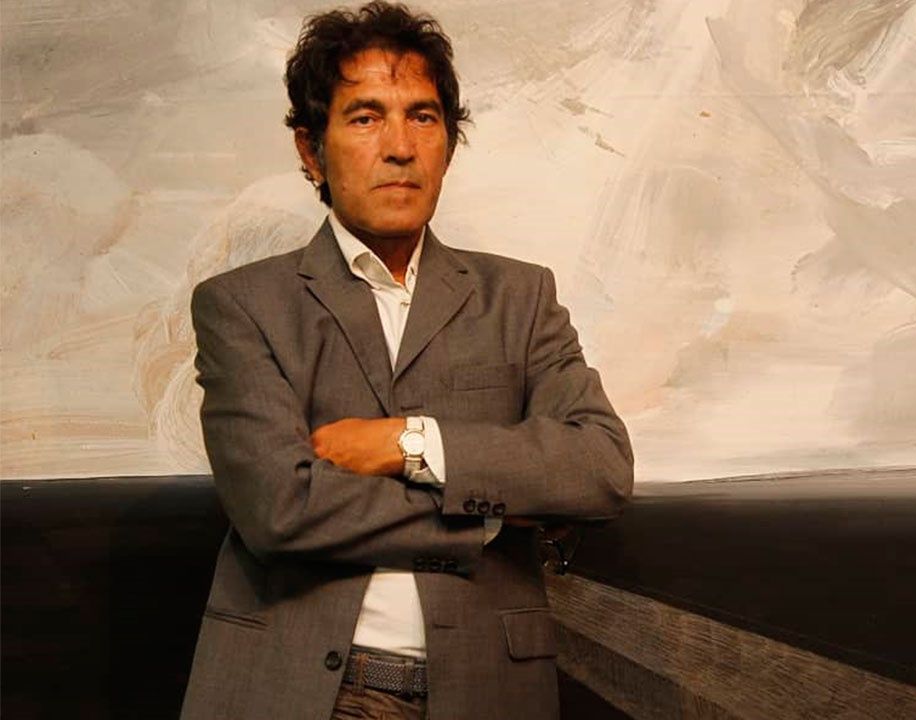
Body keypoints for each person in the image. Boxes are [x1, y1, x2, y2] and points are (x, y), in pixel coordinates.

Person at [178, 3, 633, 719]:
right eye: (365, 117)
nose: (399, 146)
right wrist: (490, 516)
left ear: (448, 144)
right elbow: (278, 509)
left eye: (422, 117)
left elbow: (599, 467)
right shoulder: (242, 305)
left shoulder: (519, 297)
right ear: (310, 150)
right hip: (293, 689)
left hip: (486, 689)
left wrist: (411, 444)